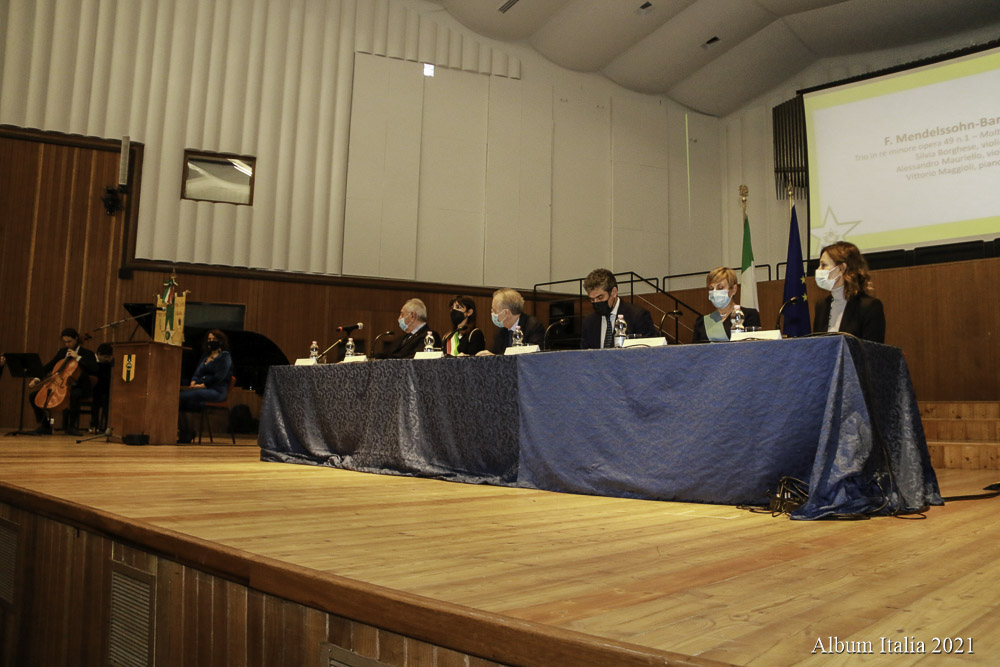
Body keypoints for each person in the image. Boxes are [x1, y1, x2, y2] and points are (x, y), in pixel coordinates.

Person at [27, 327, 98, 435]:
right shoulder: (62, 352)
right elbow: (49, 366)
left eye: (69, 341)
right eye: (65, 342)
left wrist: (78, 358)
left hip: (80, 386)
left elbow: (94, 368)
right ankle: (45, 426)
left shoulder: (87, 353)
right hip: (61, 385)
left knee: (75, 395)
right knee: (33, 396)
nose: (67, 344)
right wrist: (37, 378)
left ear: (76, 339)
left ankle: (71, 427)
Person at [812, 241, 885, 343]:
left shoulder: (869, 306)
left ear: (841, 269)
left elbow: (872, 350)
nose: (818, 270)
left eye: (823, 265)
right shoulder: (822, 305)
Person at [580, 268, 657, 349]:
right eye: (592, 299)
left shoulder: (638, 316)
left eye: (600, 297)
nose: (596, 302)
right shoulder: (589, 322)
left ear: (614, 292)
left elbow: (649, 351)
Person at [178, 329, 233, 443]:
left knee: (182, 397)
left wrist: (203, 384)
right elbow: (197, 373)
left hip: (217, 391)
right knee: (180, 398)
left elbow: (219, 377)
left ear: (220, 341)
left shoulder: (224, 356)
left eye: (214, 339)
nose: (211, 341)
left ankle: (188, 432)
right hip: (201, 389)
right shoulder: (205, 356)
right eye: (209, 339)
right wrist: (193, 381)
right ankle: (187, 432)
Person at [691, 267, 762, 343]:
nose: (715, 292)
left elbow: (753, 346)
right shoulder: (701, 322)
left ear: (734, 289)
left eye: (720, 288)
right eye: (711, 288)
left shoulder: (748, 315)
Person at [478, 288, 545, 355]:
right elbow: (494, 352)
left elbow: (534, 357)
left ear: (506, 312)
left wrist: (496, 358)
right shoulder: (501, 331)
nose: (492, 314)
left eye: (494, 311)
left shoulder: (533, 327)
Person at [89, 343, 114, 432]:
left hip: (106, 389)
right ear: (99, 354)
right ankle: (94, 424)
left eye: (109, 357)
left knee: (107, 400)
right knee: (97, 400)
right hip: (93, 389)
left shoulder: (109, 363)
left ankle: (107, 425)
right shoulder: (92, 361)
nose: (106, 359)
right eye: (105, 357)